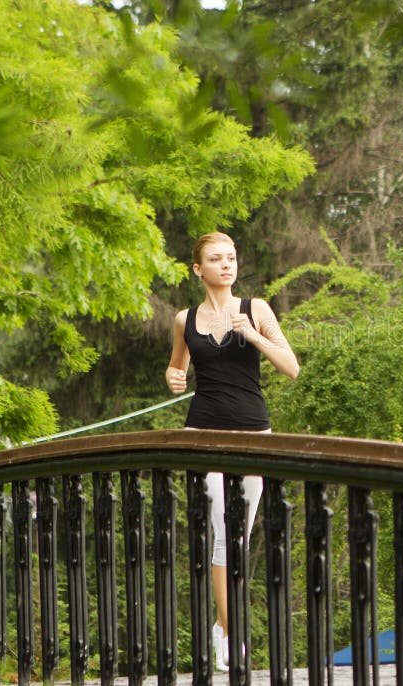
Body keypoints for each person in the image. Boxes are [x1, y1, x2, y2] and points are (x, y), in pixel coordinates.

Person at [165, 232, 299, 670]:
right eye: (216, 259)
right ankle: (232, 631)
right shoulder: (184, 319)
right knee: (222, 531)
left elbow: (291, 368)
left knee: (237, 535)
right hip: (202, 431)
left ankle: (222, 629)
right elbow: (177, 365)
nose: (227, 265)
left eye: (231, 258)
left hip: (253, 433)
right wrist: (174, 376)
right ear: (198, 269)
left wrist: (255, 337)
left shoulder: (255, 309)